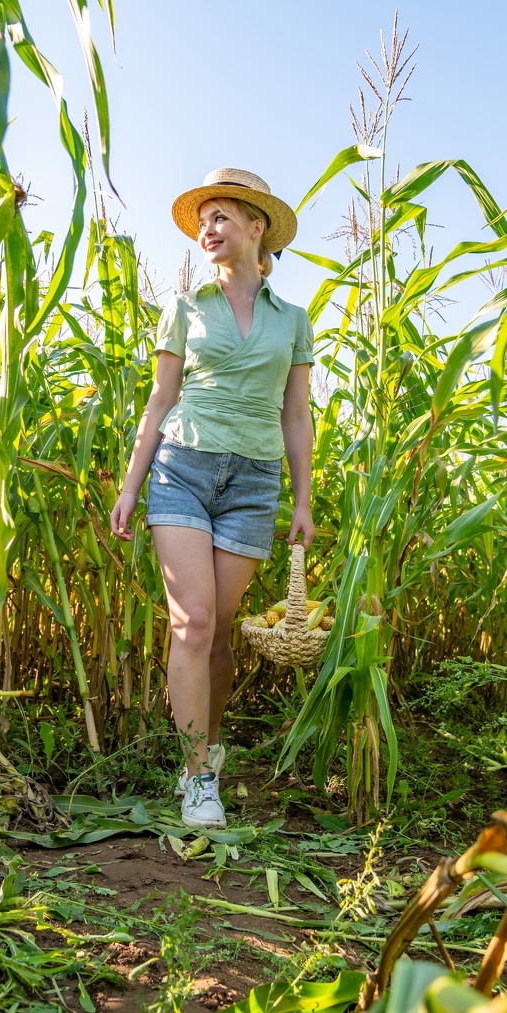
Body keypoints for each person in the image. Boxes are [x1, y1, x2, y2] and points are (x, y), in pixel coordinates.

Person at [110, 169, 315, 828]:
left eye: (222, 216)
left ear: (258, 228)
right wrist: (131, 482)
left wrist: (303, 500)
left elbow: (295, 416)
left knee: (218, 635)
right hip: (182, 469)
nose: (209, 229)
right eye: (204, 219)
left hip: (253, 484)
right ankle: (197, 775)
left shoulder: (293, 321)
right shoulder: (185, 307)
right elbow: (160, 399)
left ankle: (209, 748)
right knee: (192, 623)